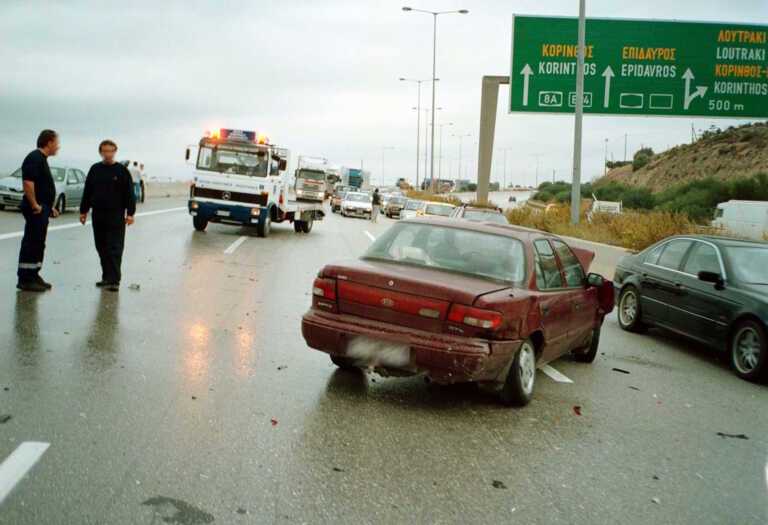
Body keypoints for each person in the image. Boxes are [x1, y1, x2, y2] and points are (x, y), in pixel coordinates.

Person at [79, 140, 136, 292]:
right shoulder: (95, 169)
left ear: (115, 152)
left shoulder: (122, 171)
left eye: (111, 151)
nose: (108, 154)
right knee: (101, 246)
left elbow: (130, 194)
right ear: (100, 152)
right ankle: (106, 277)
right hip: (98, 214)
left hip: (116, 215)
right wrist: (83, 211)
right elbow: (87, 191)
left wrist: (130, 213)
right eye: (105, 151)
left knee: (115, 247)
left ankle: (114, 280)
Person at [16, 130, 60, 292]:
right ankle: (25, 278)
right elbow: (28, 183)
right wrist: (34, 204)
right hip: (35, 209)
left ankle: (34, 274)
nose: (58, 146)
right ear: (49, 143)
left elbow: (42, 187)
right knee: (32, 242)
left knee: (39, 243)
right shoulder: (34, 158)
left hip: (42, 208)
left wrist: (50, 207)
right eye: (56, 143)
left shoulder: (42, 159)